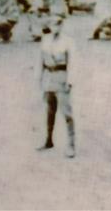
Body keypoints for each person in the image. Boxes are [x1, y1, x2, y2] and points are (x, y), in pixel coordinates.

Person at [37, 14, 76, 158]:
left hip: (61, 77)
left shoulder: (68, 41)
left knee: (66, 112)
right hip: (49, 78)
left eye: (58, 24)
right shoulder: (45, 40)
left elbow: (73, 63)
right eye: (53, 24)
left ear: (61, 25)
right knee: (49, 110)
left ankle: (71, 145)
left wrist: (70, 81)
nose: (56, 27)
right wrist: (39, 79)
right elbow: (40, 61)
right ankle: (48, 140)